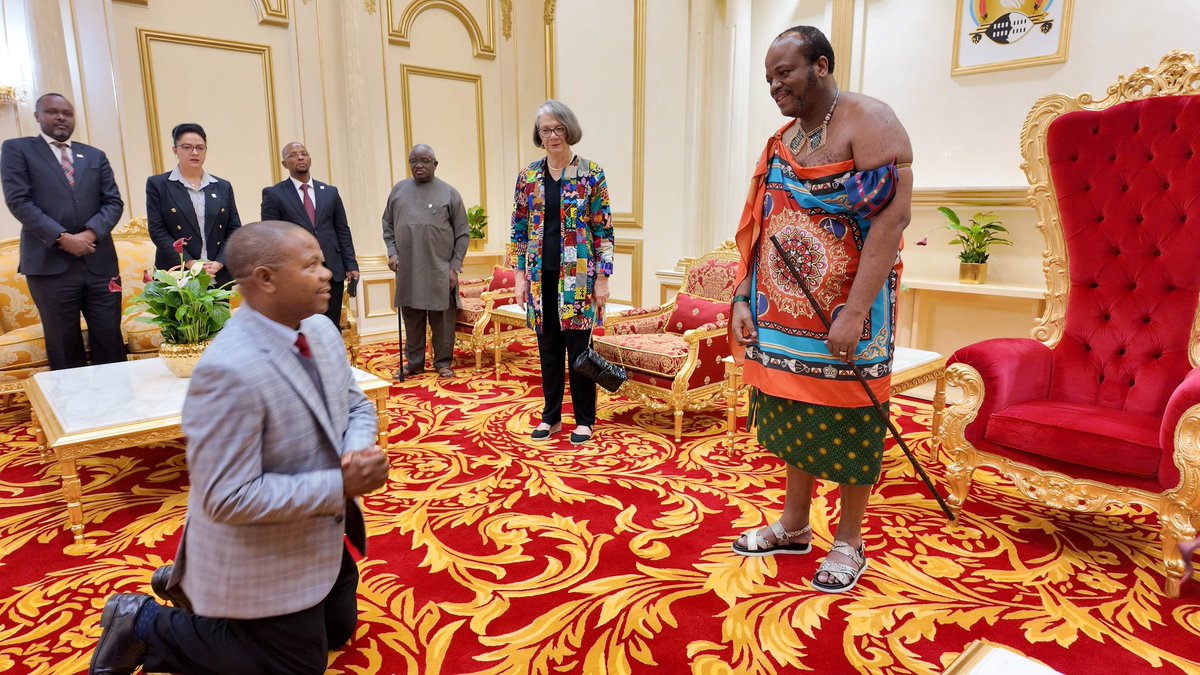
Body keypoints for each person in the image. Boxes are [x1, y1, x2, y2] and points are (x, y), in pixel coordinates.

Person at [87, 221, 389, 675]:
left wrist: (356, 452)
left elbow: (356, 406)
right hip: (255, 544)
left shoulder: (321, 332)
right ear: (265, 279)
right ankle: (143, 622)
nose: (327, 273)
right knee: (298, 665)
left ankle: (197, 598)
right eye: (311, 265)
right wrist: (339, 483)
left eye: (324, 262)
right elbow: (227, 498)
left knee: (337, 633)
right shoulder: (228, 370)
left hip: (318, 529)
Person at [728, 26, 913, 595]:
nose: (774, 86)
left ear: (822, 66)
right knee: (795, 420)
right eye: (768, 78)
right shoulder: (784, 140)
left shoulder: (870, 122)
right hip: (782, 315)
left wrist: (854, 312)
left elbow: (891, 219)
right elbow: (765, 221)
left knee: (853, 422)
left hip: (849, 315)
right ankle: (793, 525)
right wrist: (740, 296)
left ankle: (850, 540)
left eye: (784, 73)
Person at [510, 100, 613, 446]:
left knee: (579, 351)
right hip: (541, 278)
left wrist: (603, 278)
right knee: (548, 350)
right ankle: (551, 417)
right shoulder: (528, 176)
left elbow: (603, 230)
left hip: (579, 278)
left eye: (558, 129)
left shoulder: (590, 173)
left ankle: (584, 420)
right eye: (545, 130)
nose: (552, 136)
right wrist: (520, 277)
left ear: (569, 130)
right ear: (538, 135)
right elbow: (519, 230)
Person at [0, 92, 126, 370]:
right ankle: (74, 412)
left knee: (110, 340)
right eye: (52, 112)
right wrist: (62, 238)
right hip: (49, 266)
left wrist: (89, 235)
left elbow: (113, 202)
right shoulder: (17, 149)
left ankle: (118, 409)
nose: (60, 117)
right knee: (64, 345)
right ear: (37, 116)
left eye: (67, 113)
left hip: (99, 263)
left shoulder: (94, 155)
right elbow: (19, 201)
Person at [381, 144, 468, 380]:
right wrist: (392, 253)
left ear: (435, 164)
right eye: (414, 160)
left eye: (425, 160)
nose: (418, 165)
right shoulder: (398, 190)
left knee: (441, 319)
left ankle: (442, 362)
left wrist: (454, 266)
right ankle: (415, 362)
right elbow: (387, 224)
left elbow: (463, 233)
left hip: (440, 268)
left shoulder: (449, 193)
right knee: (412, 317)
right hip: (408, 268)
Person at [261, 141, 359, 327]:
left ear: (310, 159)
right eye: (293, 155)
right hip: (297, 272)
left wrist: (351, 264)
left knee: (331, 326)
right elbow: (271, 237)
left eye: (303, 153)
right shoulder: (274, 194)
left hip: (332, 272)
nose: (300, 157)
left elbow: (342, 230)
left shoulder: (330, 192)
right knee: (304, 327)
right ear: (284, 164)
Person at [146, 123, 241, 288]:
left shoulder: (222, 186)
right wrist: (190, 263)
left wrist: (219, 262)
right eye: (187, 147)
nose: (195, 152)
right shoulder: (159, 184)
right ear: (175, 150)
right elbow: (158, 230)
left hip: (217, 273)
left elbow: (234, 229)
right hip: (177, 273)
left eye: (200, 147)